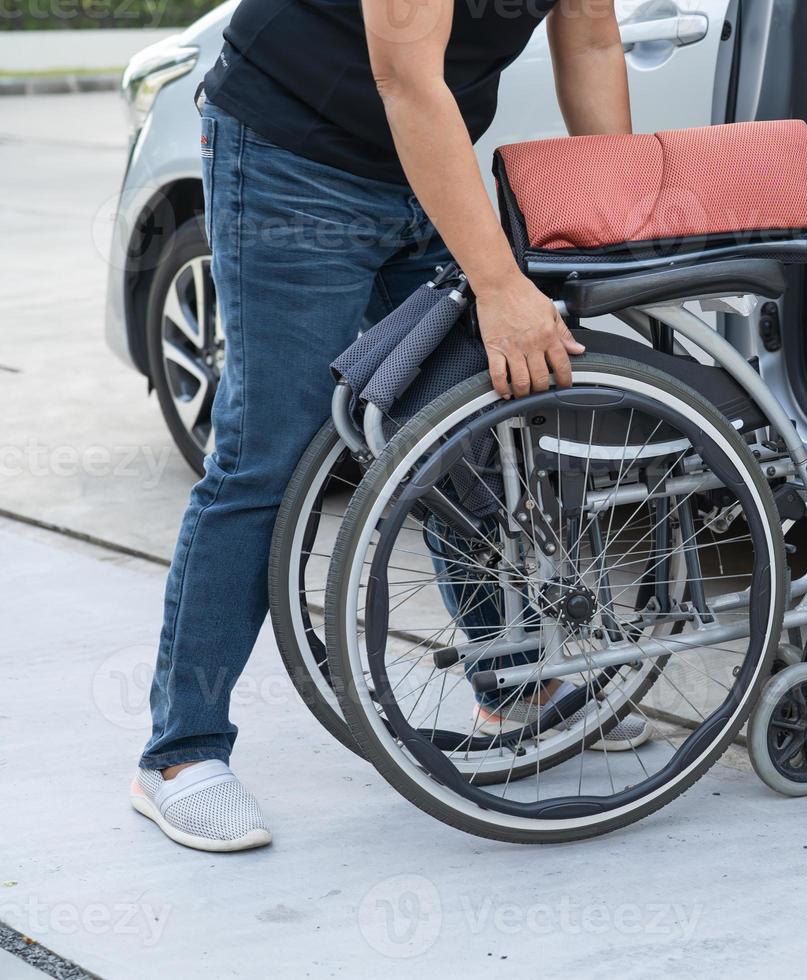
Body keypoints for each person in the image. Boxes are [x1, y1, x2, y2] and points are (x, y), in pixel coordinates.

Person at [130, 0, 643, 852]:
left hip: (427, 158)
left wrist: (624, 224)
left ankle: (512, 682)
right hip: (294, 153)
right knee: (271, 456)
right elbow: (404, 76)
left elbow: (589, 35)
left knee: (454, 436)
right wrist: (500, 284)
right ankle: (181, 754)